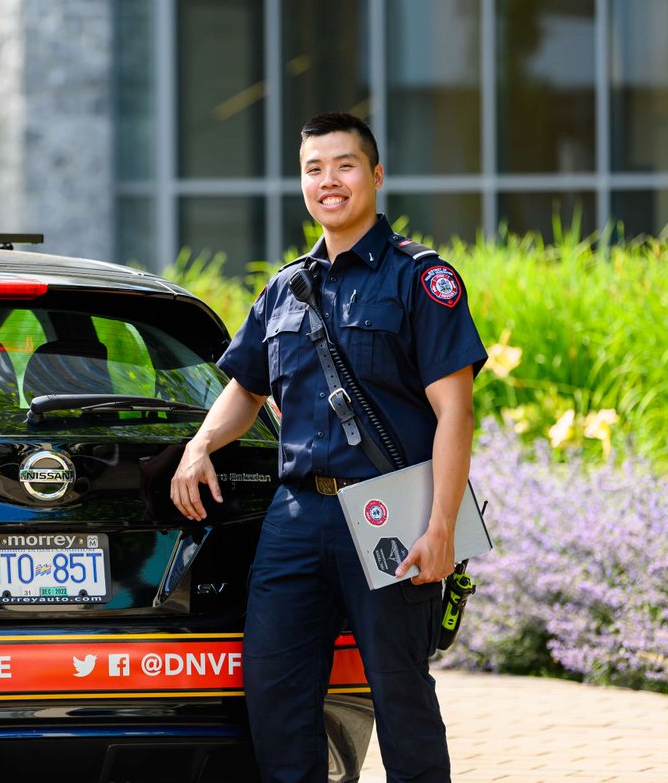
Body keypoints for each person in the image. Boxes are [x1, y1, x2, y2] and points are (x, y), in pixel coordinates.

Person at [170, 113, 487, 782]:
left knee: (400, 697)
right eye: (314, 169)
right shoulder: (287, 287)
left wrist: (441, 527)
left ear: (375, 175)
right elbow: (246, 387)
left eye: (344, 165)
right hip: (296, 520)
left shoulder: (420, 279)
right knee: (277, 698)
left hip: (390, 511)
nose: (328, 181)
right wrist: (200, 444)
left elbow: (454, 414)